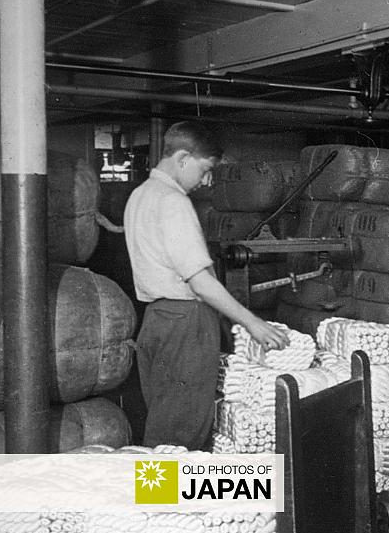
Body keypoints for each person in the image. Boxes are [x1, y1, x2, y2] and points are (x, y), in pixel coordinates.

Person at [124, 121, 289, 450]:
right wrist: (252, 322)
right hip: (186, 323)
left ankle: (155, 497)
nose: (206, 181)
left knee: (163, 424)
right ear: (183, 157)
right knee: (181, 435)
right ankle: (169, 501)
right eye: (205, 169)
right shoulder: (173, 201)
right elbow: (200, 282)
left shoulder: (139, 195)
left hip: (156, 319)